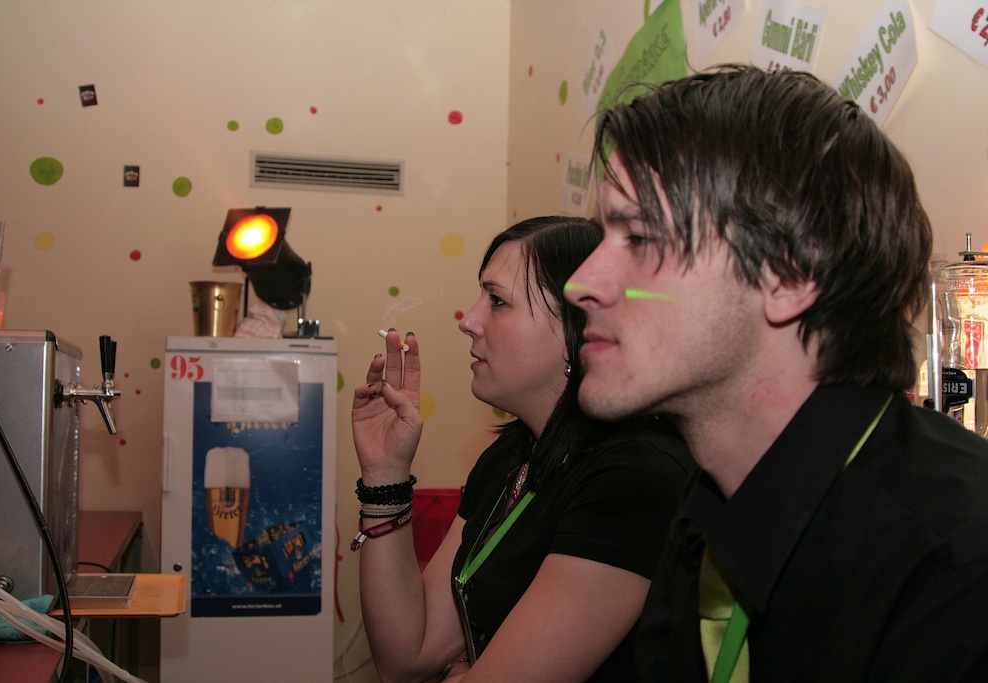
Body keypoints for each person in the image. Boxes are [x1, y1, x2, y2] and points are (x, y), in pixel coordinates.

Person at [563, 63, 988, 682]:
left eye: (642, 236)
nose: (580, 283)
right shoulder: (709, 508)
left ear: (789, 273)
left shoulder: (956, 572)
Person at [351, 216, 693, 682]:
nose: (469, 321)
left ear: (577, 329)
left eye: (497, 301)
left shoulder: (633, 479)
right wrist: (385, 473)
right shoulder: (511, 457)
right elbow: (406, 656)